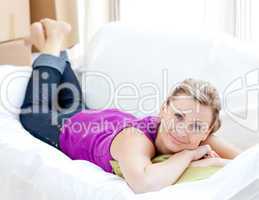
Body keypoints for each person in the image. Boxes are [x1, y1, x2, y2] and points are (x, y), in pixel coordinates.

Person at [20, 18, 241, 194]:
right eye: (179, 116)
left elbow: (247, 161)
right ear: (164, 109)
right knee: (33, 113)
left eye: (195, 127)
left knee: (73, 102)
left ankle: (47, 40)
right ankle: (54, 39)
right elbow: (144, 183)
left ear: (208, 132)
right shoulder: (135, 140)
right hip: (66, 126)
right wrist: (188, 156)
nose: (182, 130)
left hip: (95, 116)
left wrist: (218, 161)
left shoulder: (198, 133)